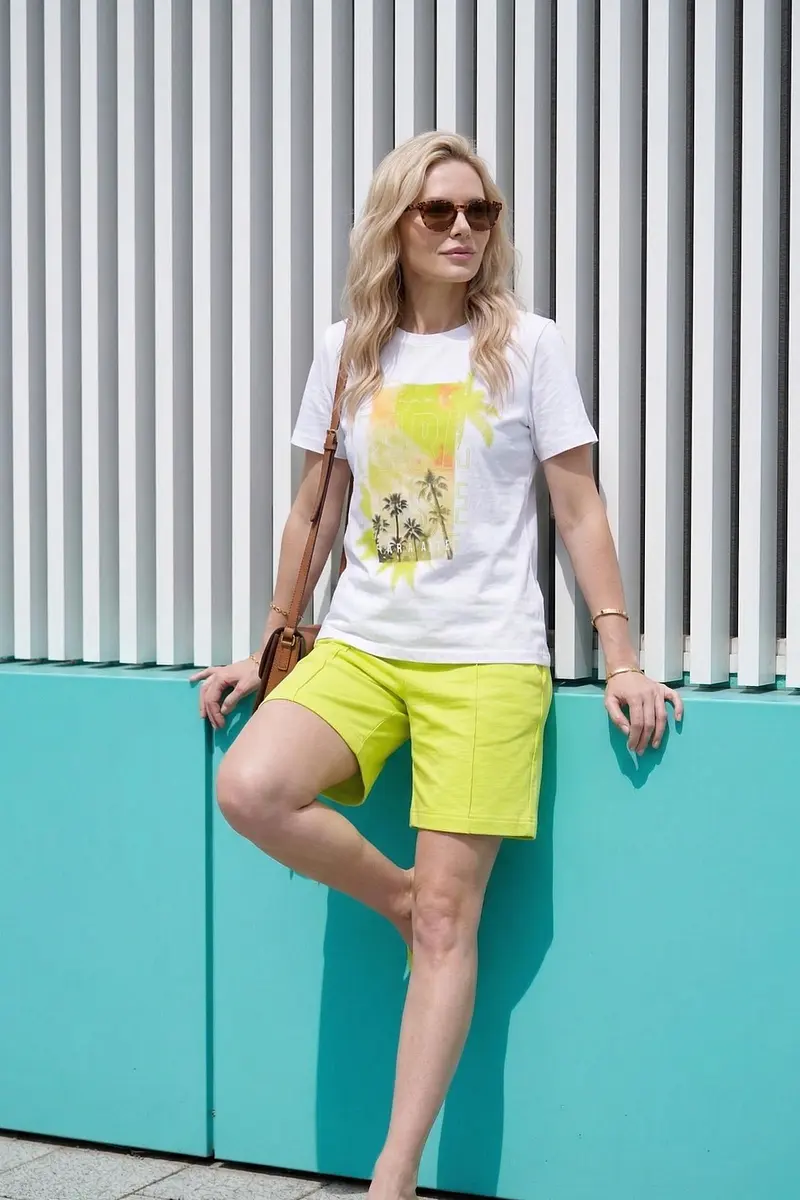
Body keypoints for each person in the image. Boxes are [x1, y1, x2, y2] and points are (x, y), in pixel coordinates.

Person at [191, 131, 683, 1200]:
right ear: (395, 225)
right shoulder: (348, 352)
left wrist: (621, 655)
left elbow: (577, 506)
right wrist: (272, 641)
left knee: (457, 926)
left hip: (485, 660)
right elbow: (314, 512)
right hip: (362, 644)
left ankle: (393, 1178)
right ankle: (400, 902)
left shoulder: (529, 347)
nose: (465, 229)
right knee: (251, 785)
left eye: (481, 211)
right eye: (440, 211)